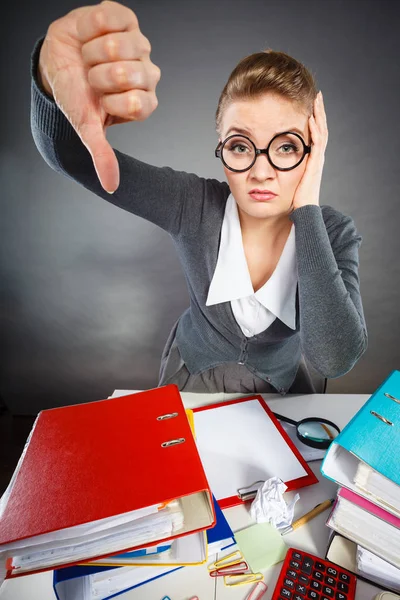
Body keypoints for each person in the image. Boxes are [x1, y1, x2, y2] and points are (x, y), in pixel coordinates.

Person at [31, 0, 367, 395]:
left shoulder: (335, 232)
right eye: (241, 146)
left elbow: (333, 358)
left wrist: (307, 206)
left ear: (312, 150)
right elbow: (67, 154)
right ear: (222, 149)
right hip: (191, 379)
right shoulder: (193, 204)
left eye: (287, 147)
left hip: (282, 392)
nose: (261, 171)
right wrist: (48, 72)